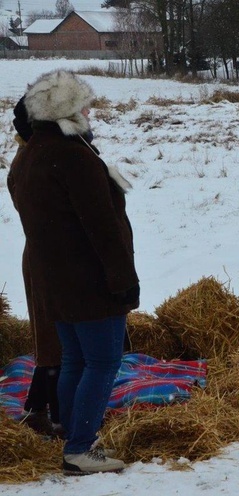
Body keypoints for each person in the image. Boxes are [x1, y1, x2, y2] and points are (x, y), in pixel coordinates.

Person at [8, 70, 139, 474]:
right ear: (65, 110)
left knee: (75, 363)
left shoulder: (29, 155)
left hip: (55, 282)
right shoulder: (73, 155)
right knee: (101, 363)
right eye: (82, 103)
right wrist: (122, 282)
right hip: (90, 281)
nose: (88, 110)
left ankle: (72, 434)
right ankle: (81, 447)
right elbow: (102, 228)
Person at [8, 96, 64, 439]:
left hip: (49, 255)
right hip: (52, 258)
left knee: (51, 340)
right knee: (55, 342)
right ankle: (59, 419)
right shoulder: (33, 161)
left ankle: (36, 409)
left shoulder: (32, 156)